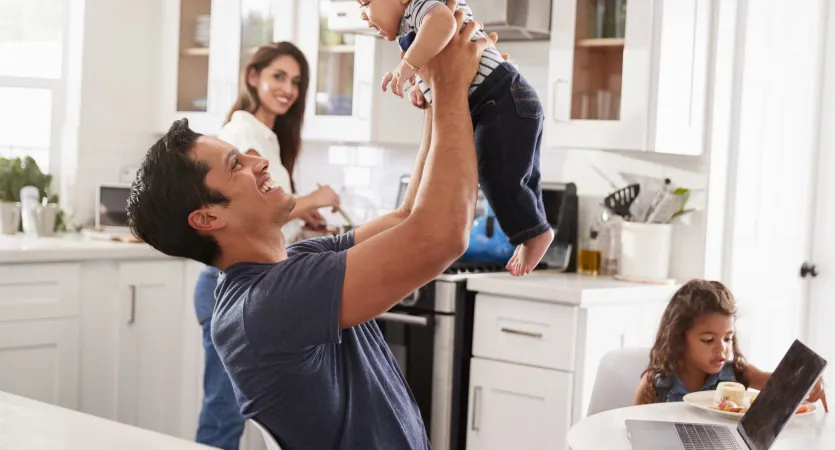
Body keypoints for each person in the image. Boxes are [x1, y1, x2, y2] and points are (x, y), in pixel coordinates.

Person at [126, 7, 494, 449]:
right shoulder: (269, 303)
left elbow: (407, 218)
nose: (257, 161)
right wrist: (453, 86)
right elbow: (442, 233)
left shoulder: (289, 266)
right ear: (208, 218)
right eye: (235, 164)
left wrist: (436, 95)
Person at [191, 41, 340, 450]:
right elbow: (251, 214)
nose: (288, 89)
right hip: (230, 284)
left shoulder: (268, 137)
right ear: (253, 76)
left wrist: (302, 216)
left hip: (257, 285)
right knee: (223, 414)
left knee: (250, 415)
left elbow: (266, 210)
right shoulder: (241, 133)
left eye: (296, 81)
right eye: (279, 76)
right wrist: (315, 198)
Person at [360, 0, 554, 276]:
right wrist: (422, 87)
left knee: (495, 173)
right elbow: (439, 60)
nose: (363, 15)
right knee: (522, 178)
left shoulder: (421, 7)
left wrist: (407, 66)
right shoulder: (412, 24)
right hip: (507, 100)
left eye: (365, 2)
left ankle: (533, 233)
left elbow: (442, 24)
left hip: (499, 99)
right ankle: (535, 229)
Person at [633, 279, 829, 412]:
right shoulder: (655, 384)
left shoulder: (737, 373)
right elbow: (634, 433)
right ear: (679, 338)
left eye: (727, 338)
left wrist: (808, 380)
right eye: (708, 340)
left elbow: (780, 382)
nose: (722, 349)